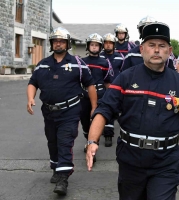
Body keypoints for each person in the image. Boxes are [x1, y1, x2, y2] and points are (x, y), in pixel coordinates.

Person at [86, 22, 179, 199]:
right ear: (141, 49)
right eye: (151, 45)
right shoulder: (126, 78)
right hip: (131, 160)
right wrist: (92, 141)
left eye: (161, 46)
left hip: (166, 162)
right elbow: (104, 110)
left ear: (169, 51)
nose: (156, 50)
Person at [26, 27, 97, 195]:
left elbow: (90, 85)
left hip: (70, 112)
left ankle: (63, 178)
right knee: (53, 142)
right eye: (55, 41)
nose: (58, 43)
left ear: (67, 43)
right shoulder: (43, 64)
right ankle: (56, 168)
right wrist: (30, 98)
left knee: (65, 142)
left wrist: (94, 106)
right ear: (51, 44)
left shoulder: (78, 64)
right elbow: (32, 82)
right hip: (49, 112)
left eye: (62, 41)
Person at [80, 33, 111, 156]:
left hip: (100, 95)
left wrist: (109, 95)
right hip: (84, 95)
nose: (94, 47)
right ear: (88, 46)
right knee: (85, 121)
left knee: (96, 119)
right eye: (92, 45)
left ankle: (93, 144)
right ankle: (88, 140)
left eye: (96, 45)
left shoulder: (105, 62)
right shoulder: (81, 62)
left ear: (100, 47)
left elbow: (107, 81)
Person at [99, 33, 124, 147]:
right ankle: (104, 133)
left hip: (115, 88)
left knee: (114, 110)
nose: (108, 45)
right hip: (101, 88)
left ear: (114, 44)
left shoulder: (120, 57)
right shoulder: (99, 56)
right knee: (103, 109)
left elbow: (124, 72)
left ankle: (109, 134)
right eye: (106, 43)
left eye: (110, 43)